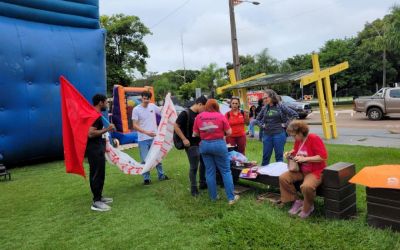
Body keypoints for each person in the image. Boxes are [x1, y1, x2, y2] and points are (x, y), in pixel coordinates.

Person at [193, 99, 239, 205]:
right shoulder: (220, 116)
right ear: (217, 106)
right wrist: (221, 134)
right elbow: (229, 132)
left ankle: (213, 197)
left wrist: (204, 135)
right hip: (219, 145)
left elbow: (195, 133)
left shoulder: (199, 117)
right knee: (225, 171)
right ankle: (231, 198)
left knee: (209, 172)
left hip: (204, 145)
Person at [279, 120, 328, 218]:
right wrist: (289, 154)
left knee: (306, 186)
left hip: (315, 171)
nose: (293, 138)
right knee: (283, 178)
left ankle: (308, 206)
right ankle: (297, 200)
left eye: (294, 135)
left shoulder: (314, 138)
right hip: (301, 170)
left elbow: (323, 157)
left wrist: (305, 158)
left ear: (301, 132)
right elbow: (297, 151)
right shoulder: (298, 140)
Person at [132, 91, 169, 185]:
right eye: (144, 98)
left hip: (154, 138)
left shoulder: (152, 106)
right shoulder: (136, 109)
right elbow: (134, 125)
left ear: (150, 99)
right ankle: (146, 179)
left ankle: (161, 175)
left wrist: (167, 102)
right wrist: (146, 132)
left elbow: (162, 111)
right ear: (141, 98)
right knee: (145, 160)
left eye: (148, 98)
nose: (146, 100)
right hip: (143, 139)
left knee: (157, 157)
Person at [174, 96, 208, 196]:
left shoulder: (199, 114)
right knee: (194, 166)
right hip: (191, 144)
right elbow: (176, 126)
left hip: (201, 142)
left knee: (204, 163)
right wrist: (184, 139)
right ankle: (194, 189)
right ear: (199, 104)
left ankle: (203, 183)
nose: (204, 110)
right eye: (204, 108)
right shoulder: (185, 113)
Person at [87, 94, 115, 212]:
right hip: (94, 149)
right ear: (100, 103)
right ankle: (96, 201)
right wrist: (107, 129)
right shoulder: (94, 115)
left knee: (100, 173)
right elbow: (90, 133)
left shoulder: (96, 114)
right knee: (96, 174)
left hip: (98, 148)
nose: (107, 104)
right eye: (106, 102)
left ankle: (99, 197)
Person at [256, 89, 298, 166]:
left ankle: (279, 175)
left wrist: (286, 124)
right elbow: (257, 120)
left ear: (272, 97)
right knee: (266, 156)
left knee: (279, 156)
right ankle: (263, 175)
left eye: (266, 98)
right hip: (267, 135)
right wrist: (262, 125)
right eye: (263, 98)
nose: (264, 100)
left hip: (279, 134)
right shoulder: (264, 108)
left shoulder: (280, 106)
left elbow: (294, 114)